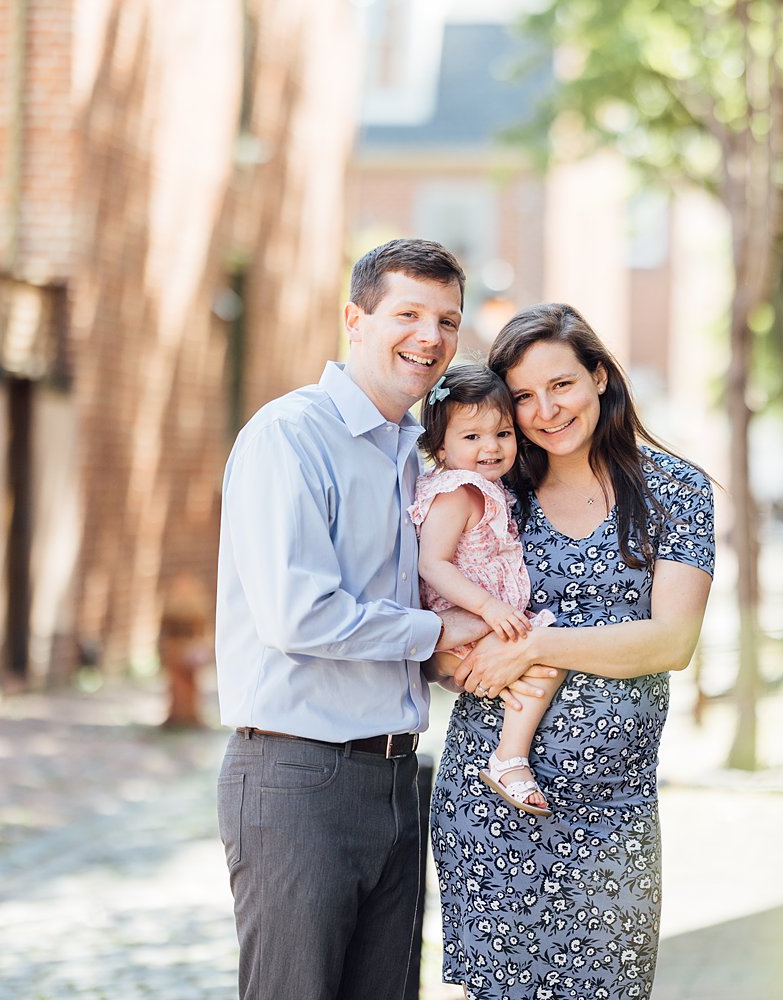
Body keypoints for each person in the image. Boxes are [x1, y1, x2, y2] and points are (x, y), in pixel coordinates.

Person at [213, 238, 554, 1000]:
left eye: (446, 319)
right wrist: (441, 635)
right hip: (299, 775)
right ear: (354, 320)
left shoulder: (423, 454)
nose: (429, 337)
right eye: (408, 313)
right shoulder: (291, 437)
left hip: (400, 778)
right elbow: (299, 614)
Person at [428, 302, 716, 999]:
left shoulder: (675, 490)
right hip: (491, 801)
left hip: (610, 810)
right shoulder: (496, 495)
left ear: (599, 378)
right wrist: (453, 658)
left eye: (561, 384)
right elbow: (434, 613)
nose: (545, 410)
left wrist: (536, 646)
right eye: (522, 396)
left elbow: (671, 641)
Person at [408, 364, 560, 816]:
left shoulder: (488, 488)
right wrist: (489, 607)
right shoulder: (456, 492)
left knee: (542, 660)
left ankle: (509, 754)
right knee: (546, 657)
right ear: (439, 446)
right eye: (472, 437)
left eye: (503, 433)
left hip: (481, 627)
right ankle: (509, 759)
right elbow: (430, 563)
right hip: (467, 627)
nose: (491, 447)